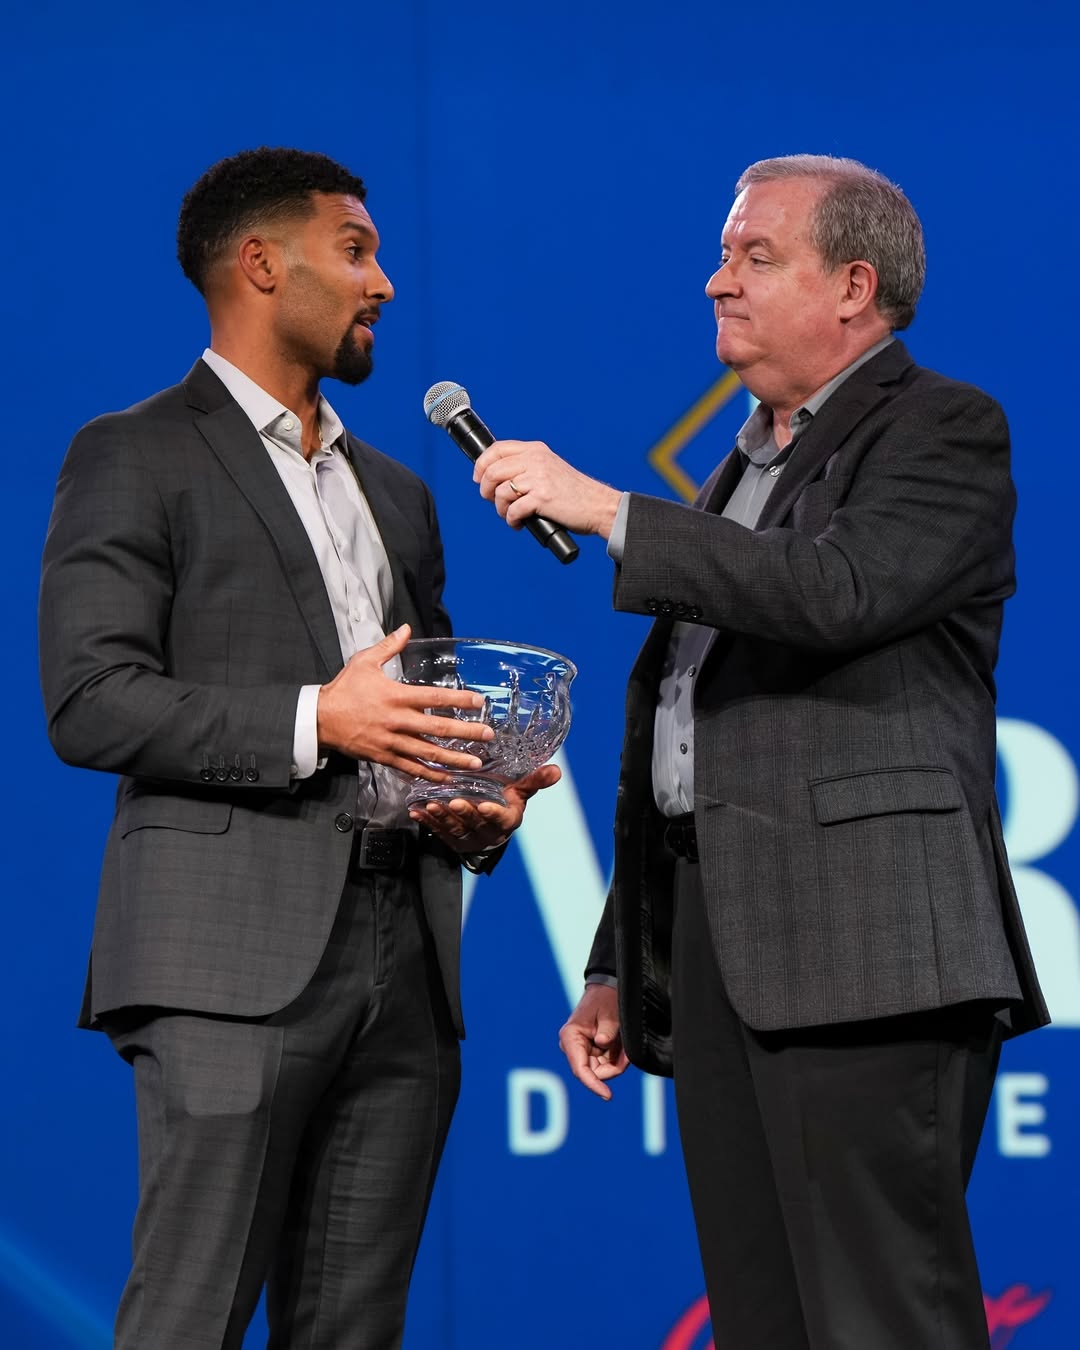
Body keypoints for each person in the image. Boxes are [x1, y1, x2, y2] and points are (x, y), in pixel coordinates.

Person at [470, 154, 1048, 1350]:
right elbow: (694, 725)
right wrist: (620, 952)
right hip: (723, 945)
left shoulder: (943, 427)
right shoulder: (745, 460)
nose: (714, 281)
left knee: (886, 1317)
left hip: (870, 952)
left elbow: (836, 592)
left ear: (853, 285)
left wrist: (609, 507)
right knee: (763, 1320)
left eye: (753, 256)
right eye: (725, 255)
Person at [38, 146, 557, 1350]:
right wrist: (317, 717)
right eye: (357, 251)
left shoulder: (399, 491)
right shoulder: (136, 451)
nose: (383, 284)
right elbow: (90, 699)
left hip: (406, 961)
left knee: (353, 1329)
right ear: (262, 265)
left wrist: (468, 799)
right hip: (229, 964)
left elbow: (410, 713)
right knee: (191, 1316)